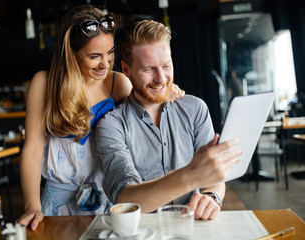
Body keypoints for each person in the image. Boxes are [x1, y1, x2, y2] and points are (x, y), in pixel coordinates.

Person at [17, 6, 184, 230]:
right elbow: (33, 149)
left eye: (110, 53)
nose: (105, 63)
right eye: (94, 56)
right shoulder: (44, 84)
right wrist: (31, 205)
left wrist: (164, 94)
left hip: (107, 200)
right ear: (71, 53)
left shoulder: (117, 84)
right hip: (58, 203)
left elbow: (141, 124)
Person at [96, 20, 242, 220]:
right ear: (126, 69)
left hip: (193, 225)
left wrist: (212, 196)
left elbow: (215, 179)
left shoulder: (195, 109)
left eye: (166, 66)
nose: (161, 78)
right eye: (149, 69)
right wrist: (191, 176)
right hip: (143, 231)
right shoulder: (111, 125)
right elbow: (125, 198)